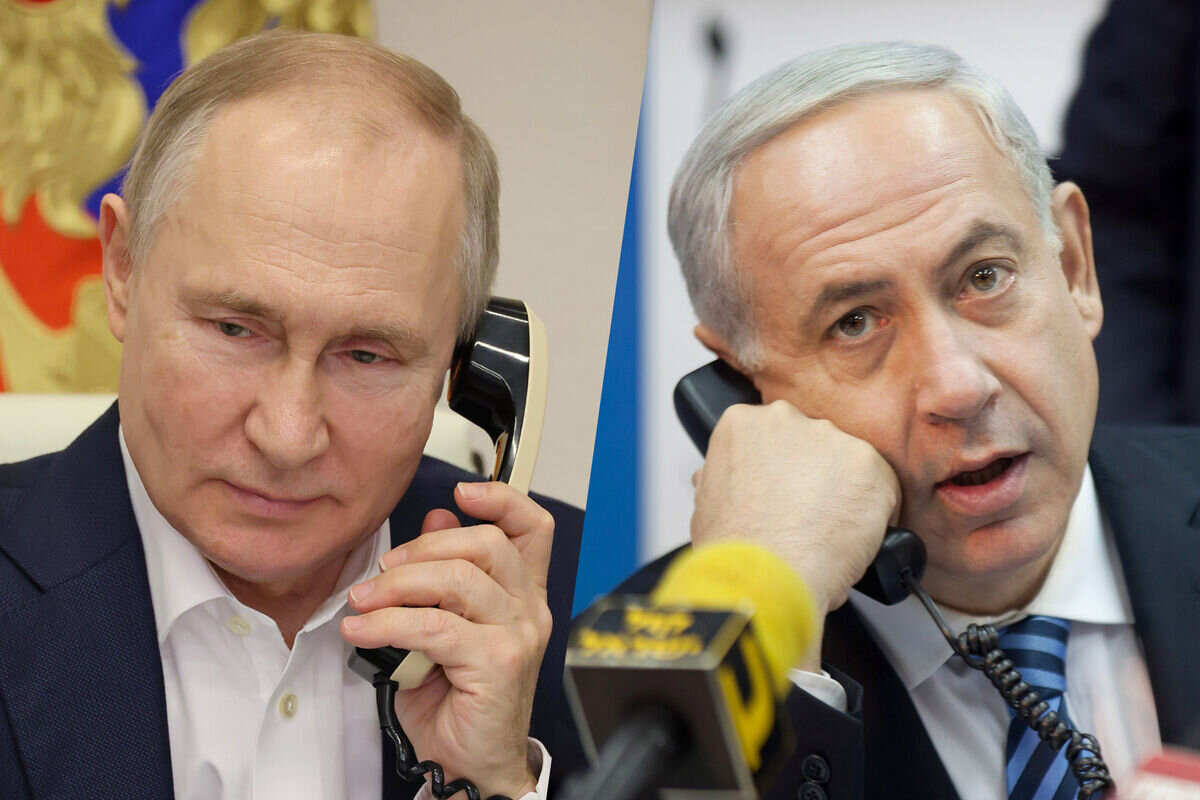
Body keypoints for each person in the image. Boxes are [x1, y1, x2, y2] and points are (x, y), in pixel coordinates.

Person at [564, 43, 1200, 800]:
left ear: (1074, 269)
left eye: (984, 277)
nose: (957, 387)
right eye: (856, 322)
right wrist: (777, 654)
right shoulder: (628, 706)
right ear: (745, 386)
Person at [0, 30, 583, 800]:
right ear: (121, 271)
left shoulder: (600, 612)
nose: (287, 436)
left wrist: (490, 783)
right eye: (234, 329)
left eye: (366, 355)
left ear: (461, 360)